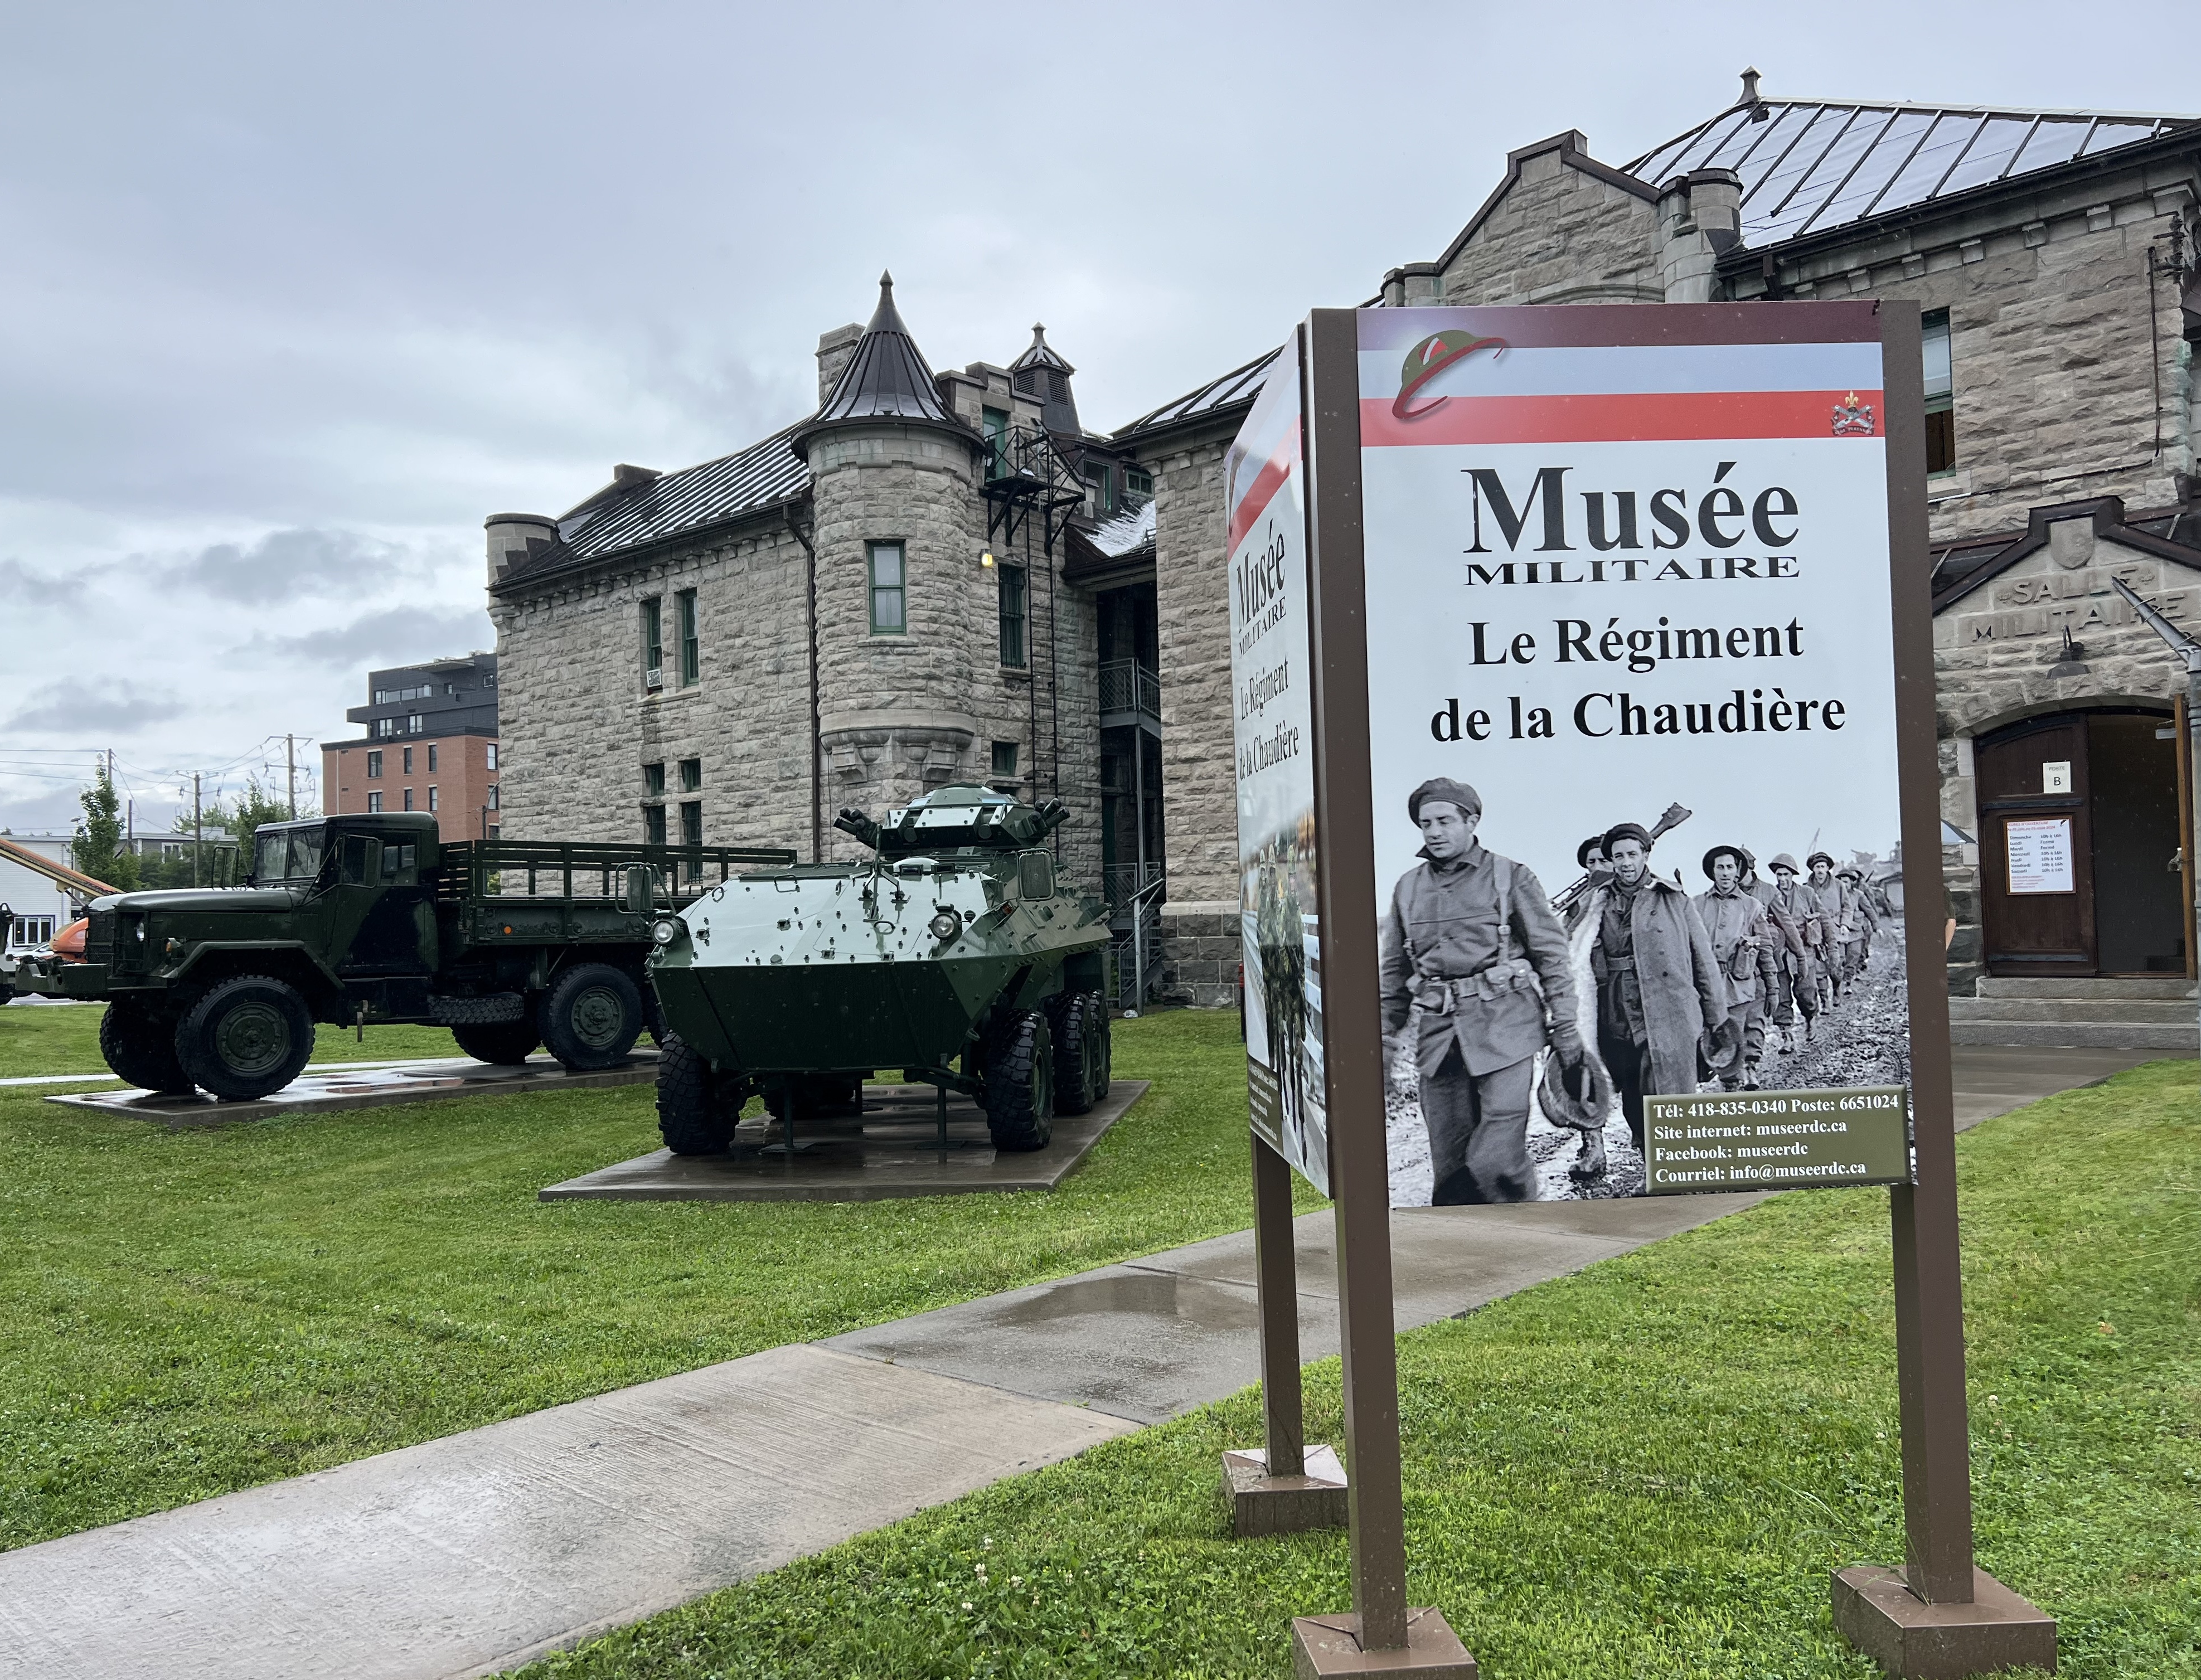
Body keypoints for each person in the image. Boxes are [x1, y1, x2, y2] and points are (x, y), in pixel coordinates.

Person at [1379, 778, 1580, 1204]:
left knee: (1496, 1160)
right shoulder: (1408, 888)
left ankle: (1528, 1237)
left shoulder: (1511, 878)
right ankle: (1464, 1257)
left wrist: (1565, 1025)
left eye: (1445, 821)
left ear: (1471, 821)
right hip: (1440, 1041)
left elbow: (1552, 956)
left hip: (1506, 1031)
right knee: (1450, 1169)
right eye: (1425, 823)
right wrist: (1384, 1039)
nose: (1434, 832)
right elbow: (1394, 973)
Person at [1586, 822, 1724, 1152]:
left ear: (1646, 855)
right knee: (1634, 1096)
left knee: (1668, 1091)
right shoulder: (1598, 902)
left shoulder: (1674, 900)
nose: (1626, 863)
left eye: (1633, 854)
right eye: (1618, 856)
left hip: (1669, 1011)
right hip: (1618, 1012)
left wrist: (1716, 1021)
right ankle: (1654, 1160)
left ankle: (1673, 1168)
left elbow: (1703, 962)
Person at [1694, 845, 1779, 1090]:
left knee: (1736, 1036)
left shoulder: (1752, 906)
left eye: (1730, 867)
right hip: (1706, 986)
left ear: (1738, 871)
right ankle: (1725, 1078)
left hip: (1739, 984)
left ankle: (1734, 1085)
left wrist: (1772, 988)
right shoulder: (1697, 904)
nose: (1725, 873)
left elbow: (1765, 950)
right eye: (1720, 867)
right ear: (1712, 871)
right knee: (1711, 1038)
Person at [1762, 852, 1821, 1048]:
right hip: (1779, 954)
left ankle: (1811, 1019)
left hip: (1804, 950)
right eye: (1779, 875)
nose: (1782, 879)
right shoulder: (1770, 895)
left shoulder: (1807, 894)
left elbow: (1824, 920)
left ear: (1793, 875)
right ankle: (1786, 1035)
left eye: (1786, 875)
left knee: (1806, 992)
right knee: (1782, 996)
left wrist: (1833, 947)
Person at [1800, 852, 1850, 1009]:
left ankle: (1836, 989)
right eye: (1817, 867)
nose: (1820, 870)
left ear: (1828, 868)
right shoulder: (1806, 888)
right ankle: (1824, 1001)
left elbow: (1847, 907)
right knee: (1820, 970)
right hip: (1816, 932)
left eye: (1823, 867)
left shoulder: (1838, 885)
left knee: (1836, 966)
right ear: (1813, 869)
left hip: (1835, 929)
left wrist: (1845, 924)